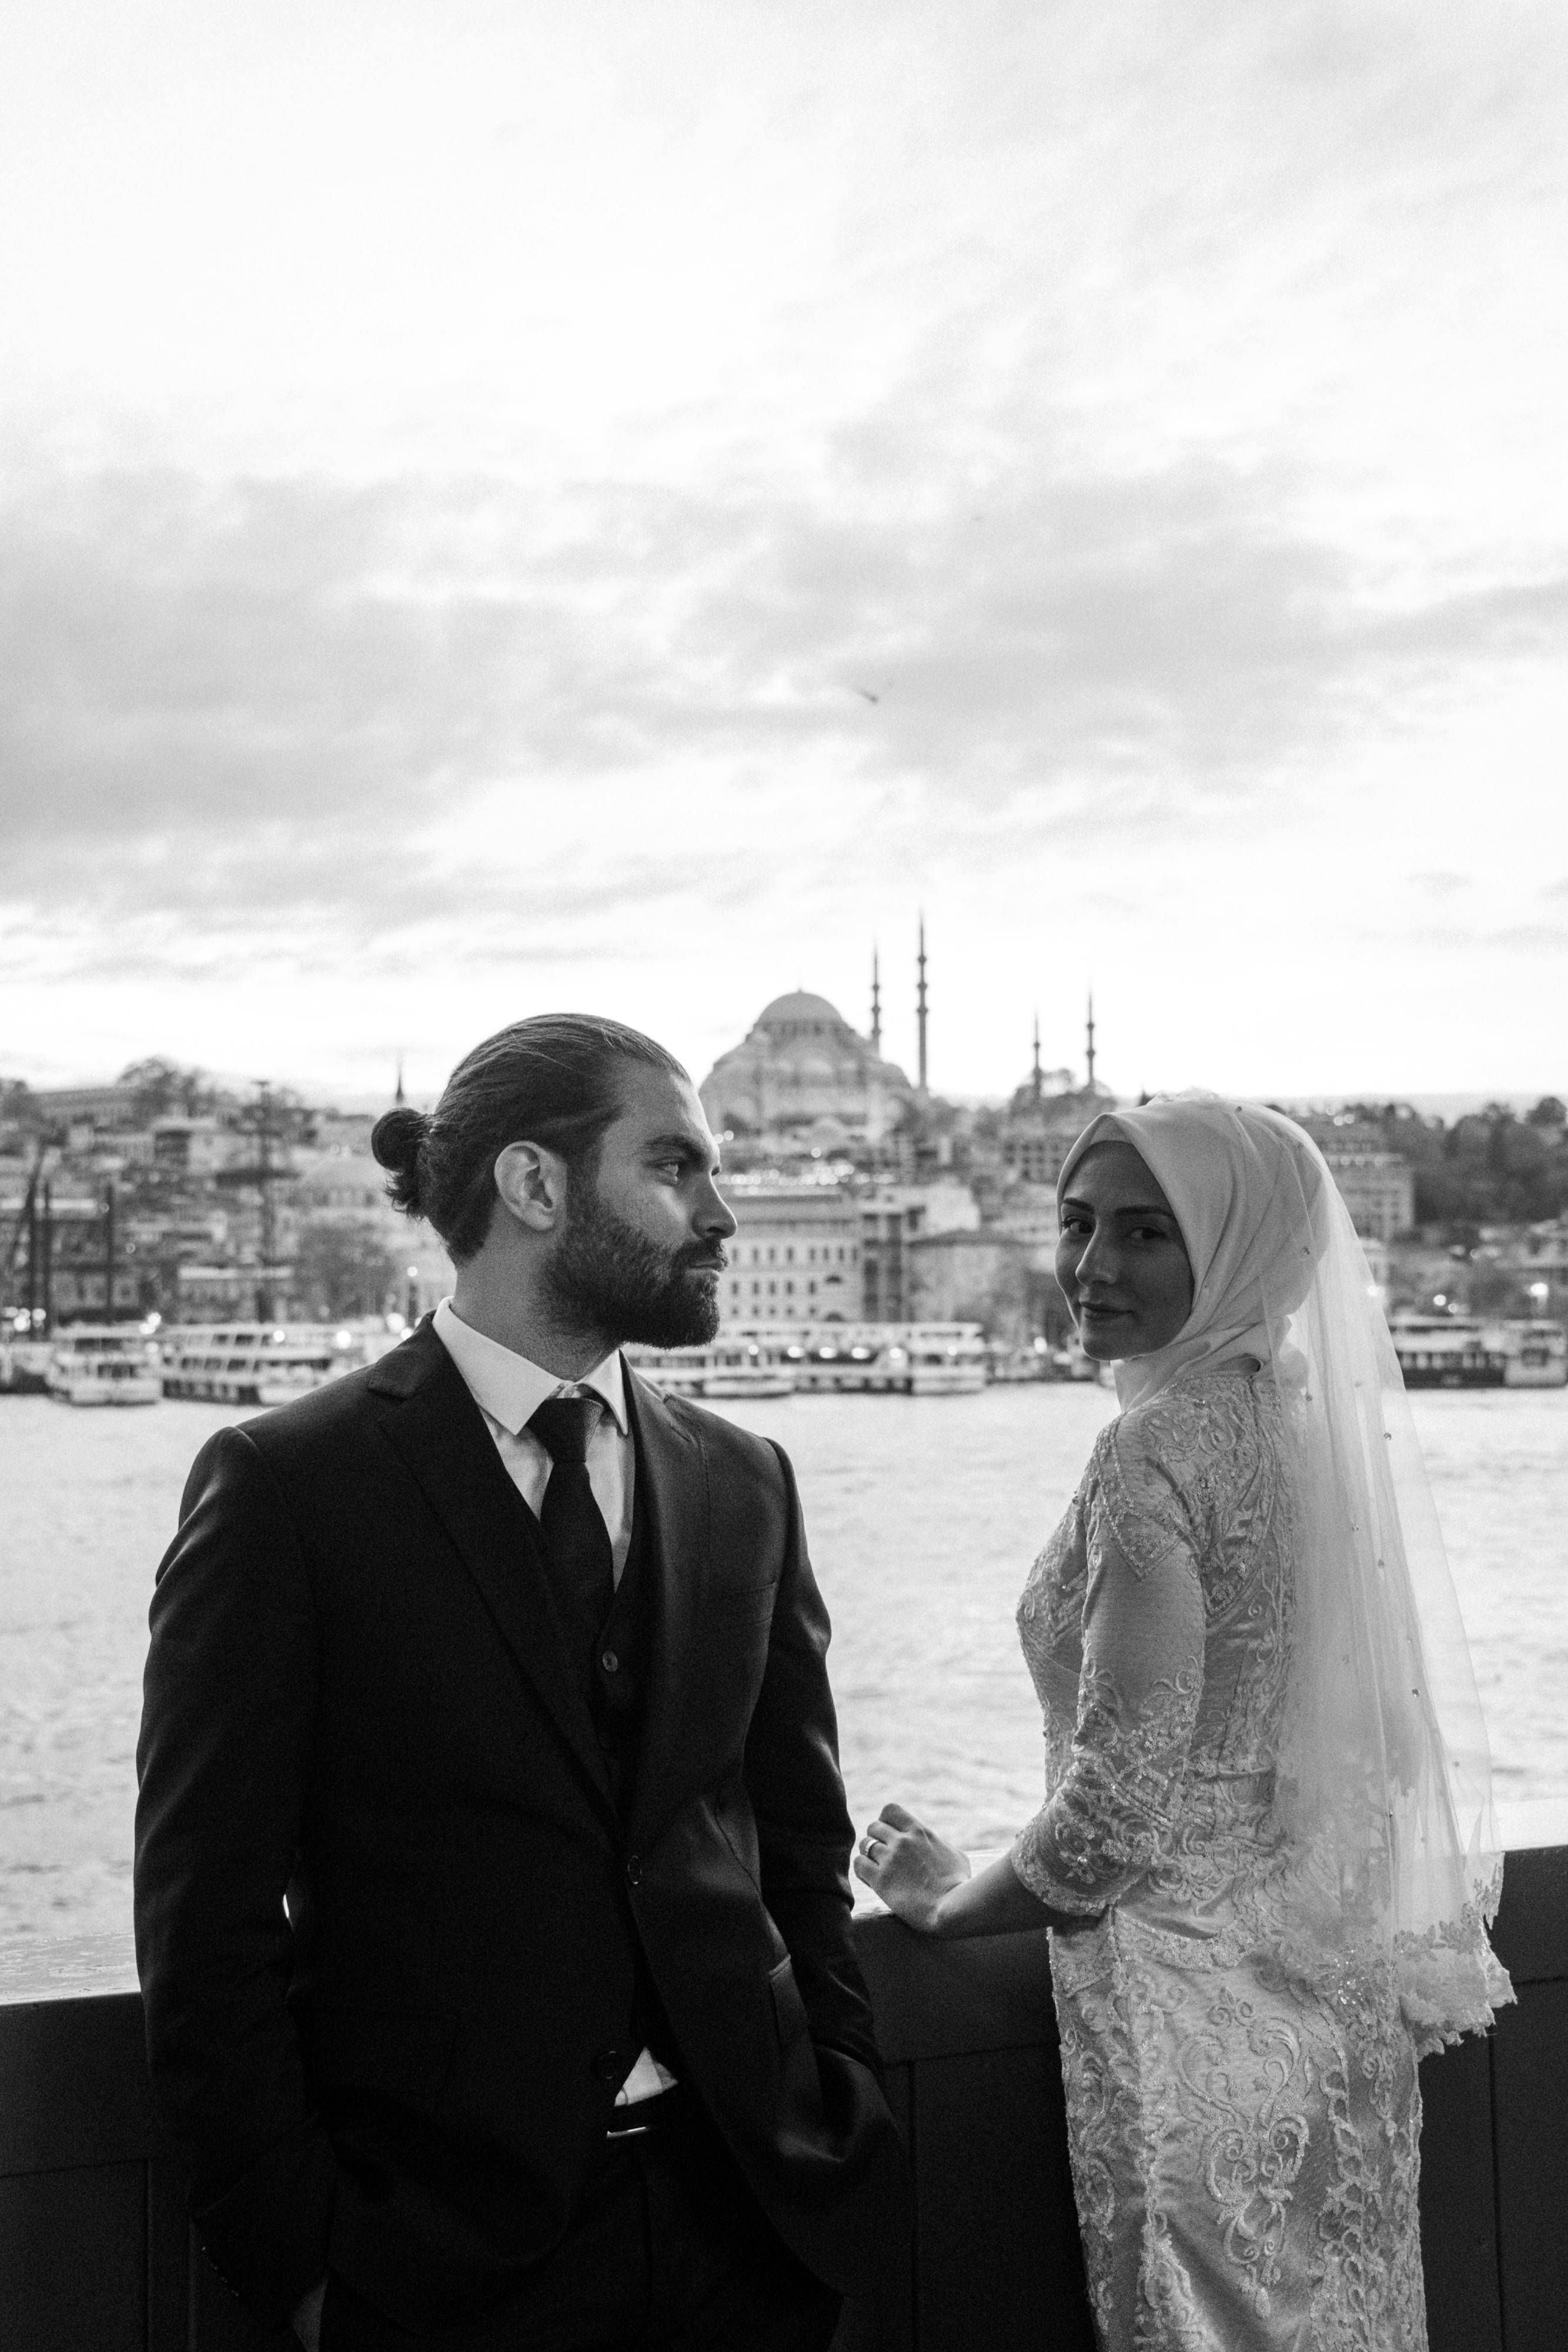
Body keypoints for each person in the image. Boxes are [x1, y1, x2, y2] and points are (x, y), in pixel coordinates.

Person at [136, 1013, 908, 2351]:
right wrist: (305, 2265)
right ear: (533, 1186)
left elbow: (796, 1833)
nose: (719, 1212)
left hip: (750, 2224)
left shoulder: (744, 1481)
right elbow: (204, 1908)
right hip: (435, 2263)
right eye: (675, 1166)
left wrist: (836, 2097)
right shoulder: (288, 1487)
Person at [855, 1093, 1512, 2351]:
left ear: (1231, 1247)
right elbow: (1379, 1742)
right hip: (1336, 2029)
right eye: (1074, 1221)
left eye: (1147, 1231)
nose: (1092, 1265)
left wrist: (949, 1896)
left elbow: (1110, 1814)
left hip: (1184, 2043)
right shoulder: (1309, 1428)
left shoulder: (1150, 1450)